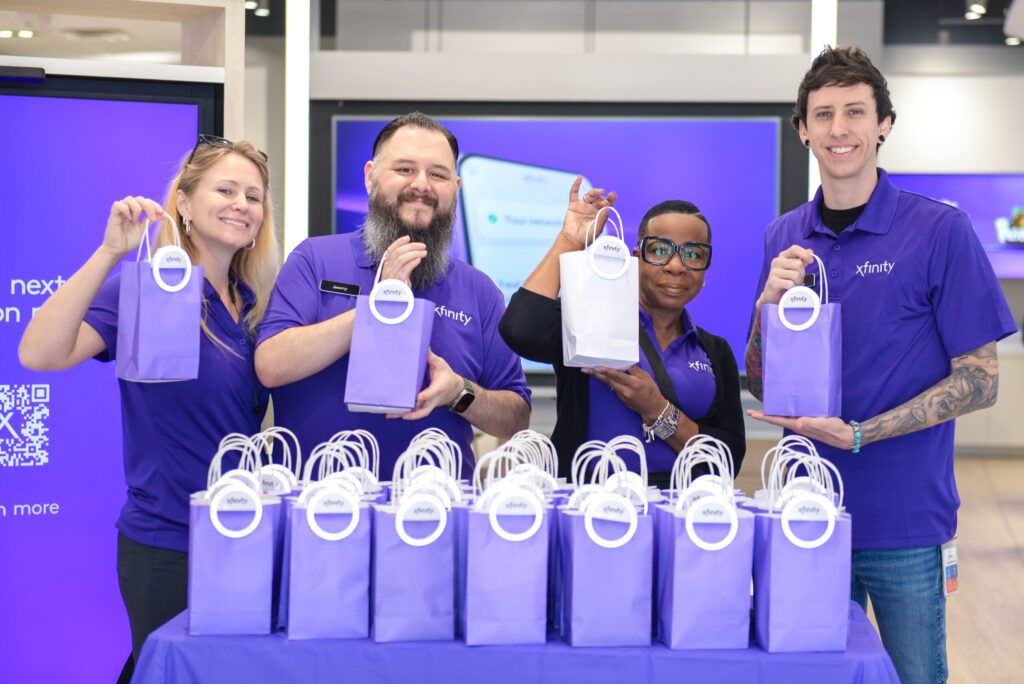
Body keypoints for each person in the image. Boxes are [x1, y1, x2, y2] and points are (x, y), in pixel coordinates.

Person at [744, 46, 1016, 684]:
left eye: (856, 112)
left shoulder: (939, 230)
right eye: (824, 114)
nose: (840, 129)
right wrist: (765, 306)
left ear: (884, 124)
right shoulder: (782, 236)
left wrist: (863, 434)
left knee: (914, 677)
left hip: (904, 520)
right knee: (814, 675)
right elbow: (763, 381)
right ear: (802, 129)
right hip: (805, 511)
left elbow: (981, 380)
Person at [18, 135, 279, 681]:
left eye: (254, 197)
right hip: (166, 542)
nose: (242, 205)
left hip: (240, 536)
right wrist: (112, 250)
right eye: (225, 189)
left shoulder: (253, 304)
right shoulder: (150, 287)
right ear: (183, 203)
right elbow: (39, 353)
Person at [254, 112, 530, 476]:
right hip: (318, 510)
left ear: (456, 188)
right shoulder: (314, 259)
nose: (422, 185)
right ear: (370, 177)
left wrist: (459, 394)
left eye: (438, 174)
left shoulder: (478, 290)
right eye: (404, 169)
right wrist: (377, 310)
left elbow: (516, 420)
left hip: (435, 512)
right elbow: (271, 367)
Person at [499, 178, 745, 485]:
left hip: (681, 513)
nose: (676, 267)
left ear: (705, 268)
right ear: (635, 257)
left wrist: (658, 410)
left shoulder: (714, 350)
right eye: (660, 250)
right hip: (587, 506)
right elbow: (520, 328)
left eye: (693, 254)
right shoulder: (589, 318)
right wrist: (569, 240)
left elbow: (727, 460)